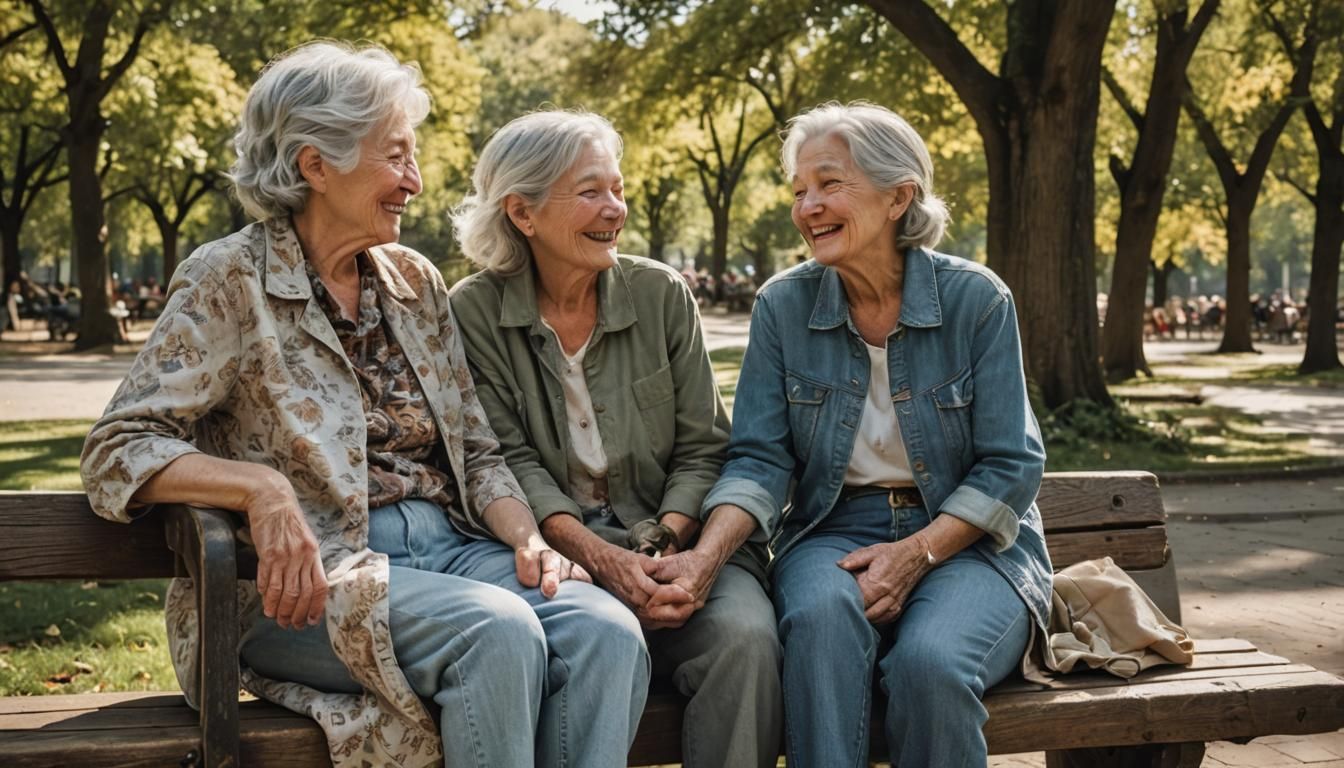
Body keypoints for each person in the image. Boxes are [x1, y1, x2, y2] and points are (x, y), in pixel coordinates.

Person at [80, 43, 646, 768]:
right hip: (306, 585)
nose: (414, 181)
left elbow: (475, 450)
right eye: (396, 157)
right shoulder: (229, 278)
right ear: (316, 165)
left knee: (605, 632)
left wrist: (526, 538)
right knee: (496, 631)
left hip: (453, 552)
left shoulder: (415, 279)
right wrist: (262, 489)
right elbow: (117, 447)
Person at [700, 102, 1053, 767]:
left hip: (970, 543)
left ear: (899, 197)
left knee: (931, 665)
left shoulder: (978, 300)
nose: (808, 206)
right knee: (818, 628)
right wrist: (707, 553)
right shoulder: (783, 305)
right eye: (800, 190)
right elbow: (759, 457)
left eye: (829, 183)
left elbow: (1010, 464)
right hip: (832, 531)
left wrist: (918, 551)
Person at [449, 109, 782, 768]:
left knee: (744, 639)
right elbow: (507, 460)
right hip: (557, 551)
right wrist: (603, 561)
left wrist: (671, 548)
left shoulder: (661, 294)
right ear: (523, 213)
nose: (616, 209)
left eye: (619, 189)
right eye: (591, 191)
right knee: (593, 638)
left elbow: (705, 445)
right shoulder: (473, 311)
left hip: (675, 539)